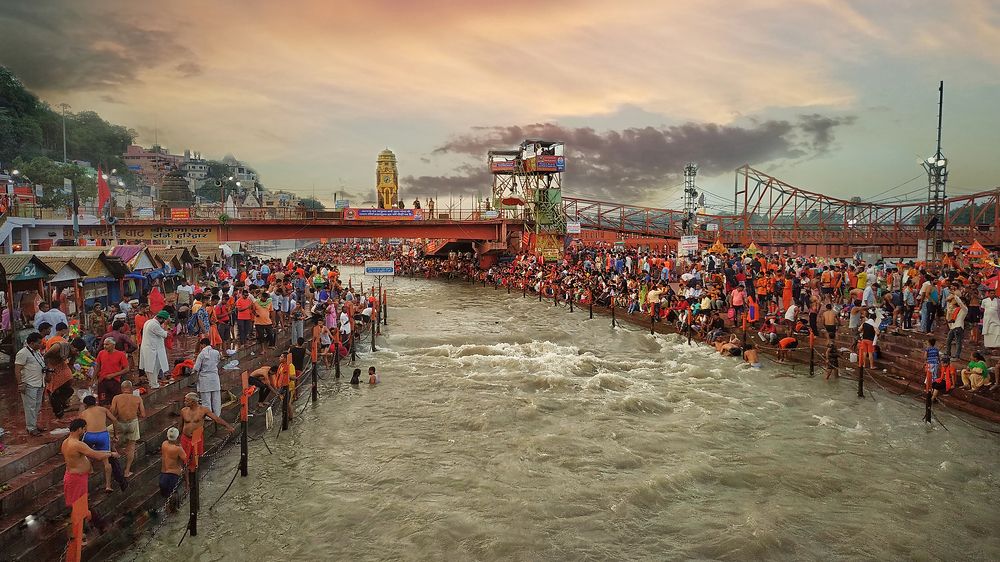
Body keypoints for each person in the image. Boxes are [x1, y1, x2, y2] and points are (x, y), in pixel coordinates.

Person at [62, 418, 119, 538]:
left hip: (72, 476)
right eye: (84, 429)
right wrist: (111, 454)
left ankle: (96, 525)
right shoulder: (77, 444)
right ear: (79, 429)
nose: (85, 431)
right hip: (77, 479)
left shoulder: (65, 442)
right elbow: (97, 455)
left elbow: (79, 458)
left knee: (81, 504)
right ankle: (77, 534)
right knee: (78, 507)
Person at [180, 393, 234, 468]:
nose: (184, 402)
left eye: (187, 401)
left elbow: (216, 419)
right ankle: (186, 478)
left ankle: (193, 475)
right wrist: (177, 438)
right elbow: (181, 424)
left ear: (193, 402)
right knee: (184, 459)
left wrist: (228, 426)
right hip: (185, 436)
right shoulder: (183, 410)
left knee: (195, 459)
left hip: (196, 435)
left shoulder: (203, 410)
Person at [79, 395, 119, 493]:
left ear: (85, 405)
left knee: (84, 454)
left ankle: (91, 469)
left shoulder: (83, 413)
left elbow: (79, 426)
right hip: (103, 435)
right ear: (95, 402)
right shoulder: (103, 409)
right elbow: (114, 420)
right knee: (106, 461)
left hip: (89, 435)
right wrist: (115, 434)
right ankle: (108, 486)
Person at [110, 381, 145, 478]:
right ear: (132, 389)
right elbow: (143, 414)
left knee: (105, 433)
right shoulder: (138, 398)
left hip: (120, 423)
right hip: (133, 424)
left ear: (122, 389)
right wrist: (135, 411)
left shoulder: (116, 398)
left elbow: (112, 412)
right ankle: (127, 471)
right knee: (131, 447)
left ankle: (114, 451)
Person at [15, 332, 47, 436]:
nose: (40, 345)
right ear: (32, 343)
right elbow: (17, 369)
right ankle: (31, 427)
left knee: (37, 406)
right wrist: (20, 384)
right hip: (29, 384)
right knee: (30, 407)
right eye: (39, 343)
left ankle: (34, 424)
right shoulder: (23, 353)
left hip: (39, 383)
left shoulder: (37, 352)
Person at [139, 311, 171, 389]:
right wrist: (166, 325)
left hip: (149, 348)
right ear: (161, 319)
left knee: (149, 367)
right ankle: (154, 384)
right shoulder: (154, 325)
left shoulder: (148, 321)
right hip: (152, 349)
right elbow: (166, 334)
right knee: (153, 367)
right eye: (164, 320)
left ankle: (152, 382)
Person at [95, 337, 130, 405]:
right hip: (102, 381)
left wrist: (113, 375)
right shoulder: (101, 353)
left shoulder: (121, 354)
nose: (105, 346)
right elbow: (97, 367)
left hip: (115, 381)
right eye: (104, 344)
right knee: (102, 402)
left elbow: (126, 369)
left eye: (107, 344)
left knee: (115, 401)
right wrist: (93, 379)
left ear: (113, 345)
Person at [193, 338, 223, 416]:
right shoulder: (216, 352)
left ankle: (208, 415)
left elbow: (196, 368)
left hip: (205, 378)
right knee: (216, 398)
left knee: (206, 399)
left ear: (203, 345)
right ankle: (217, 414)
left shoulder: (202, 354)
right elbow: (218, 361)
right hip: (214, 377)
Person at [159, 427, 187, 508]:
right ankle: (175, 509)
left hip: (163, 474)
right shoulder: (178, 449)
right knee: (173, 494)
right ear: (177, 437)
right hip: (173, 474)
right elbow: (185, 459)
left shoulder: (164, 444)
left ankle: (168, 508)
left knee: (166, 496)